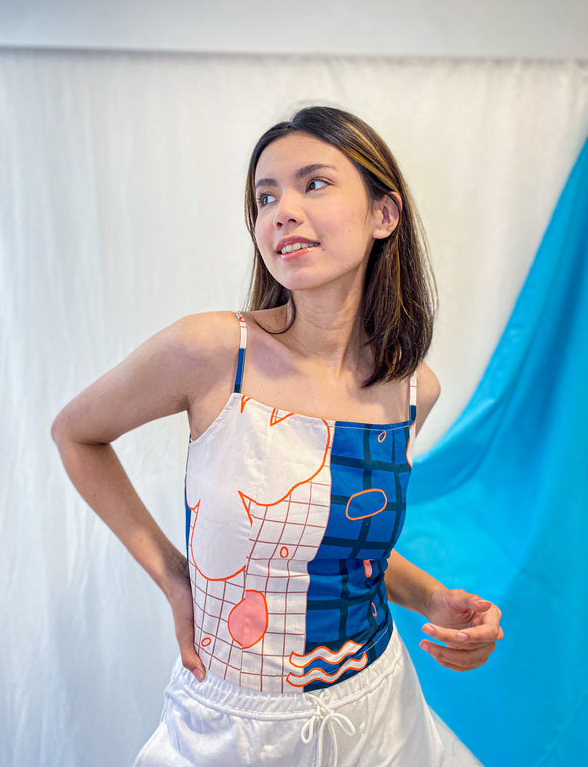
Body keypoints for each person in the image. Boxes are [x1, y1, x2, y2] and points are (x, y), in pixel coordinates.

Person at [52, 106, 503, 767]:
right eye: (265, 198)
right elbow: (75, 434)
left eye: (313, 184)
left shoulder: (411, 390)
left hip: (380, 715)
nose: (282, 212)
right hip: (231, 729)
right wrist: (176, 578)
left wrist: (436, 599)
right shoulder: (212, 352)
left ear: (384, 215)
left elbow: (336, 547)